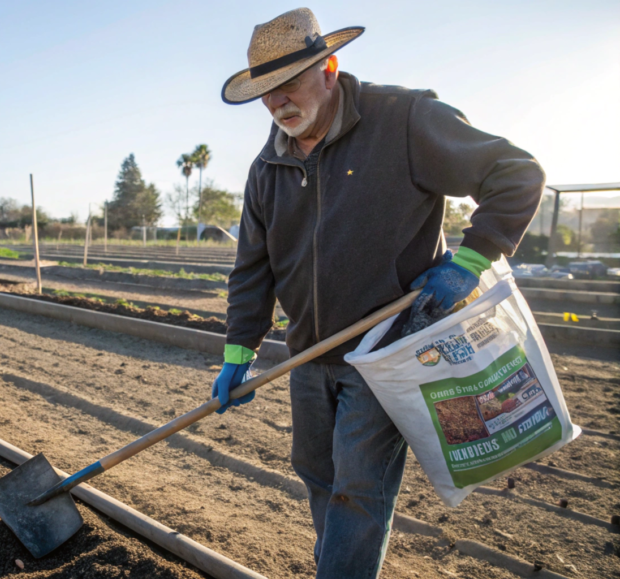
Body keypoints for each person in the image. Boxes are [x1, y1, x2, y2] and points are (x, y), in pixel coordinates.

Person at [213, 8, 545, 578]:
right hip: (309, 353)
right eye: (265, 95)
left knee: (358, 490)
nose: (277, 104)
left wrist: (470, 259)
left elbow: (516, 172)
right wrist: (238, 354)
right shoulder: (267, 167)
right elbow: (252, 268)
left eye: (287, 85)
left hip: (387, 352)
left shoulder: (404, 120)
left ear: (329, 68)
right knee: (316, 472)